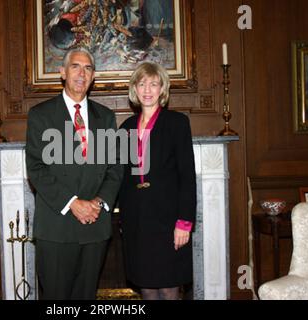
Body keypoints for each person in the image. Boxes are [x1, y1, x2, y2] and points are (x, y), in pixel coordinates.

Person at [26, 48, 123, 300]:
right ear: (62, 72)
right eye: (75, 66)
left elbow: (115, 168)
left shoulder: (106, 117)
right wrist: (73, 203)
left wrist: (99, 203)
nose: (82, 73)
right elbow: (36, 168)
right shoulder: (41, 115)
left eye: (88, 68)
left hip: (95, 225)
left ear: (93, 77)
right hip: (56, 228)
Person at [118, 62, 196, 300]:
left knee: (168, 285)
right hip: (137, 219)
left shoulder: (177, 123)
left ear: (162, 88)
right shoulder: (127, 127)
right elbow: (121, 175)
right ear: (134, 89)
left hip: (169, 218)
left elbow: (187, 176)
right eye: (142, 84)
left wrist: (184, 222)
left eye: (153, 83)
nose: (147, 89)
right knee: (147, 285)